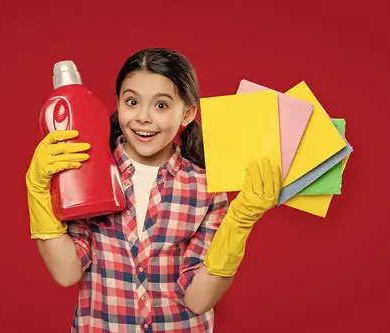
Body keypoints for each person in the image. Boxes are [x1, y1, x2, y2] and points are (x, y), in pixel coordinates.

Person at [25, 48, 282, 332]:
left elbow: (199, 300)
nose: (143, 117)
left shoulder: (206, 188)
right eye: (132, 102)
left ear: (187, 113)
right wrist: (37, 190)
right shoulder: (87, 169)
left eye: (161, 105)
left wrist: (240, 221)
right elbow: (66, 271)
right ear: (117, 103)